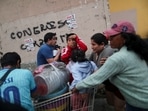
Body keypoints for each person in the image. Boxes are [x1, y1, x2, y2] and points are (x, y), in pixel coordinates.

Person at [72, 20, 148, 111]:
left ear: (125, 38)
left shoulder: (118, 57)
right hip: (137, 100)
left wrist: (77, 86)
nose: (109, 38)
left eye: (113, 36)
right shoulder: (133, 51)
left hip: (141, 104)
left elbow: (97, 77)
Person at [89, 33, 125, 111]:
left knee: (118, 106)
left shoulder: (108, 51)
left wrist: (84, 82)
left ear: (102, 44)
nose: (92, 47)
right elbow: (89, 63)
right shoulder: (95, 52)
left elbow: (101, 71)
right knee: (110, 102)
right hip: (108, 83)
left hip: (118, 84)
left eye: (94, 44)